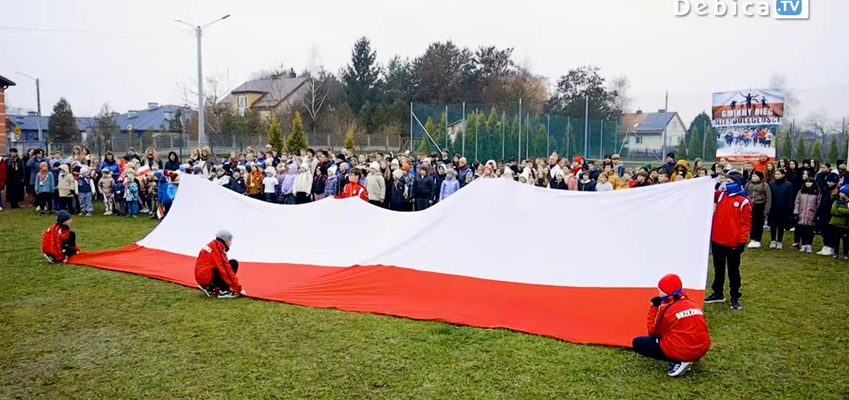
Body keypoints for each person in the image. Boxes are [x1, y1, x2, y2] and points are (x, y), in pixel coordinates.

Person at [632, 274, 711, 377]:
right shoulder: (693, 304)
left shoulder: (666, 308)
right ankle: (688, 357)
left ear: (664, 293)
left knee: (638, 342)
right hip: (701, 349)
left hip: (684, 350)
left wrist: (654, 307)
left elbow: (653, 332)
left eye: (660, 291)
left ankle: (680, 360)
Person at [705, 171, 752, 310]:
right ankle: (718, 293)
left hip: (733, 243)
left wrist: (742, 242)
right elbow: (707, 193)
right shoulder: (721, 196)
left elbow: (746, 224)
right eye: (725, 181)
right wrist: (711, 180)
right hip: (717, 239)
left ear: (737, 184)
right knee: (718, 268)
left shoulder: (744, 201)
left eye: (729, 182)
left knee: (733, 270)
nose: (725, 184)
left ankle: (735, 296)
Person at [195, 230, 245, 298]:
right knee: (233, 264)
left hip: (201, 277)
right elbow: (226, 270)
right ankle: (223, 291)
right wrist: (238, 288)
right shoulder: (218, 249)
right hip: (206, 277)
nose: (231, 243)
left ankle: (209, 287)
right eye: (230, 240)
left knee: (223, 267)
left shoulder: (212, 245)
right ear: (226, 240)